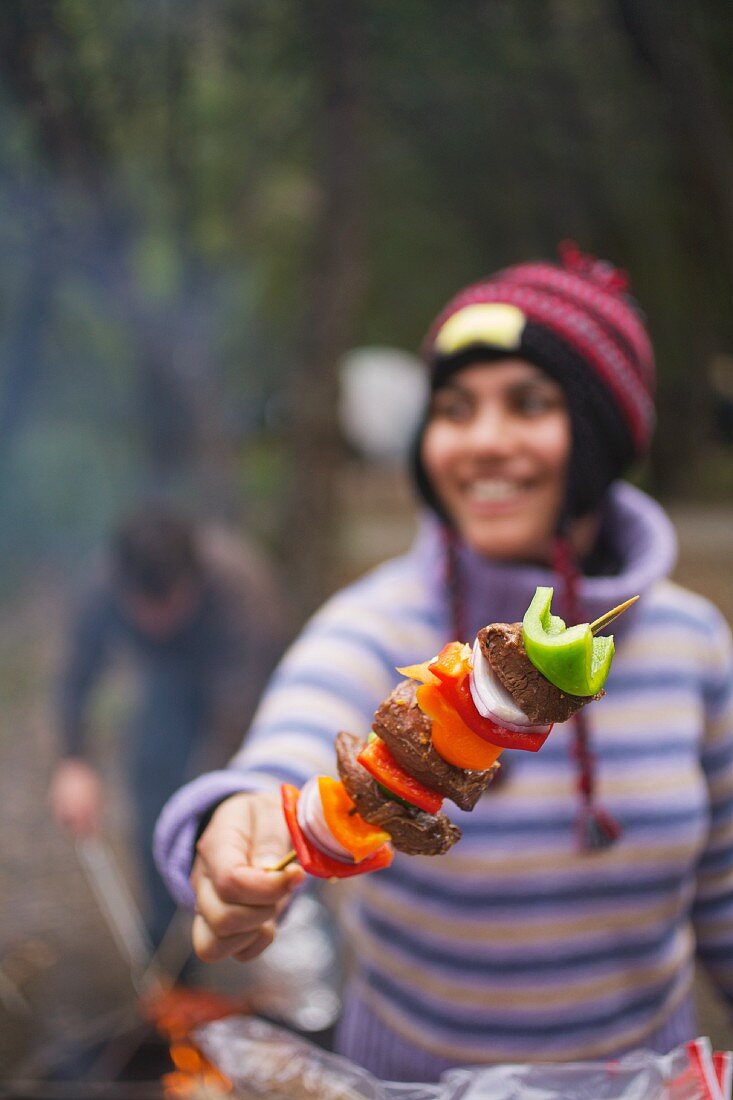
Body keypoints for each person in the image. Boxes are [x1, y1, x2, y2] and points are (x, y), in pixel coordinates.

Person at [153, 246, 733, 1080]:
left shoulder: (695, 643)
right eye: (454, 410)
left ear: (602, 433)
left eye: (529, 404)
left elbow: (721, 900)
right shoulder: (369, 625)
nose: (483, 443)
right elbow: (285, 749)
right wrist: (235, 822)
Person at [49, 506, 287, 949]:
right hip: (163, 685)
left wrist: (207, 796)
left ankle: (232, 912)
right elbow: (76, 673)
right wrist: (74, 760)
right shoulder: (107, 579)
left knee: (211, 802)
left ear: (193, 583)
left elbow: (236, 713)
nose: (154, 619)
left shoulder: (241, 589)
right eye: (142, 607)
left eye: (168, 604)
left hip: (235, 690)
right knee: (150, 791)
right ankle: (166, 938)